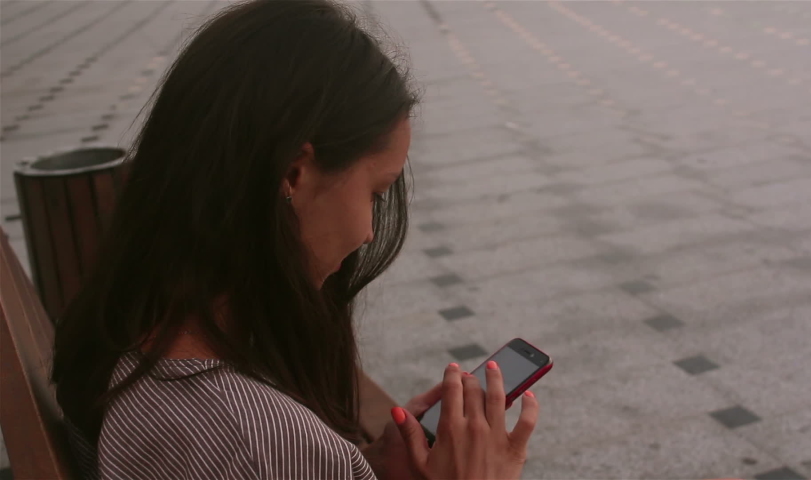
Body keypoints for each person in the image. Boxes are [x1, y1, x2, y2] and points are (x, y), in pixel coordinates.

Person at [50, 0, 540, 478]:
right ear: (293, 174)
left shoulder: (122, 328)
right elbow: (257, 454)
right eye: (375, 192)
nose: (370, 232)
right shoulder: (258, 439)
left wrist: (361, 466)